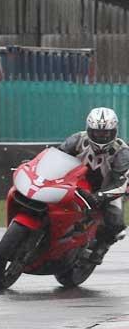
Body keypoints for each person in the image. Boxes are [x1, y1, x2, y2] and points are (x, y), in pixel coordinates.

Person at [59, 107, 129, 264]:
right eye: (97, 132)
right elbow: (56, 155)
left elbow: (121, 183)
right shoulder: (77, 139)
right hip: (75, 182)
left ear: (114, 131)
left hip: (106, 189)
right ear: (89, 129)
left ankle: (101, 247)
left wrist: (101, 196)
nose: (101, 136)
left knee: (117, 225)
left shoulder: (122, 152)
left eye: (106, 133)